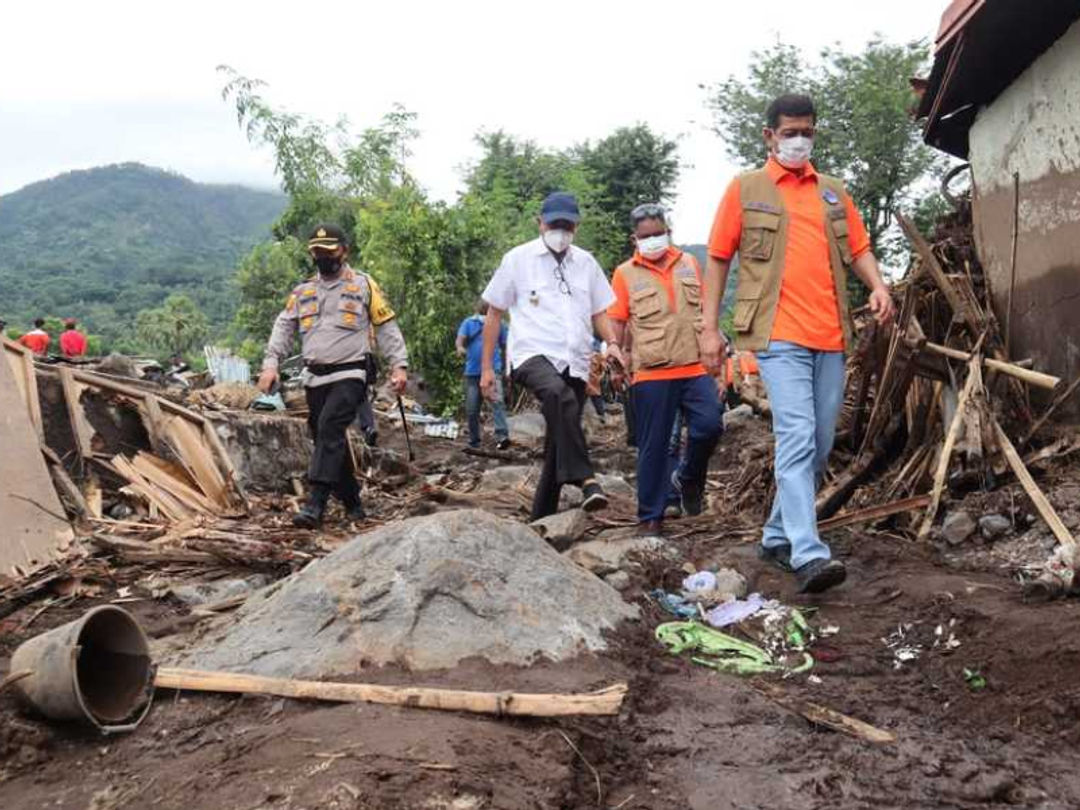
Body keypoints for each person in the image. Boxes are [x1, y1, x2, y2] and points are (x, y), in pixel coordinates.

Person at [700, 93, 896, 593]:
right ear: (769, 136)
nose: (798, 139)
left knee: (820, 443)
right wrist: (708, 328)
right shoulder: (746, 190)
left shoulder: (832, 192)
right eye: (789, 132)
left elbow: (858, 247)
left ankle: (775, 534)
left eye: (806, 130)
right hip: (775, 333)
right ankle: (808, 553)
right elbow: (719, 258)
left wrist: (877, 285)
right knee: (797, 434)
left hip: (829, 334)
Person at [479, 192, 626, 521]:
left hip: (574, 358)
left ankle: (541, 520)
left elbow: (599, 311)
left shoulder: (585, 263)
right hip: (531, 353)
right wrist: (487, 368)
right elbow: (494, 314)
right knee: (561, 399)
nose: (560, 230)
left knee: (558, 442)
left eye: (567, 224)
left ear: (576, 225)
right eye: (554, 223)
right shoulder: (517, 259)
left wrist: (613, 343)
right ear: (540, 223)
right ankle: (587, 479)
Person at [258, 224, 409, 528]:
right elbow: (284, 327)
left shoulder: (364, 285)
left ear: (344, 250)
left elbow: (386, 326)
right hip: (315, 377)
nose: (323, 257)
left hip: (351, 370)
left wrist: (399, 365)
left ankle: (315, 504)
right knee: (327, 436)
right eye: (317, 252)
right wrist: (271, 363)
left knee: (329, 428)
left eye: (329, 251)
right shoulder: (303, 291)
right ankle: (352, 501)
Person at [608, 203, 722, 535]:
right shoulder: (624, 273)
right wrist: (617, 360)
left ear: (667, 230)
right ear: (635, 238)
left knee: (710, 425)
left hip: (694, 366)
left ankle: (687, 478)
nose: (654, 240)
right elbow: (616, 321)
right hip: (651, 372)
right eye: (647, 236)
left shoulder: (689, 263)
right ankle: (650, 517)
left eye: (659, 233)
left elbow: (705, 310)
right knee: (653, 446)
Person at [456, 301, 510, 450]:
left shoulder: (500, 324)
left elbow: (506, 345)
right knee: (472, 408)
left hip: (494, 370)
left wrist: (507, 368)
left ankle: (502, 436)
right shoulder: (469, 322)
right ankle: (474, 441)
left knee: (497, 402)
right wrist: (460, 348)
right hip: (473, 372)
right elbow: (460, 340)